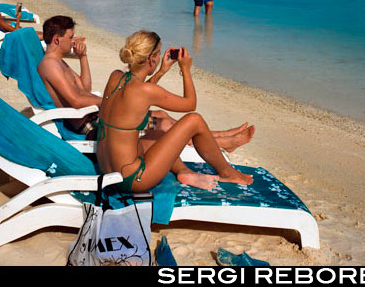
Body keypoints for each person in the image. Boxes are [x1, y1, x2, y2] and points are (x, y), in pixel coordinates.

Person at [37, 16, 255, 150]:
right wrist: (113, 102)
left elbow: (84, 88)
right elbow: (76, 100)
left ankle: (222, 135)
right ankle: (224, 143)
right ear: (57, 39)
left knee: (163, 116)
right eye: (71, 38)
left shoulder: (60, 63)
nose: (75, 41)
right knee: (166, 125)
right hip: (91, 126)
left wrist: (83, 58)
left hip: (96, 117)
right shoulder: (50, 65)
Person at [95, 30, 254, 193]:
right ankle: (228, 173)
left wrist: (162, 71)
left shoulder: (115, 77)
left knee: (157, 136)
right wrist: (185, 69)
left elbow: (138, 94)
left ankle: (184, 172)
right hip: (133, 180)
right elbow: (190, 104)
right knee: (194, 120)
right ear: (152, 59)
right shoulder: (146, 91)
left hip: (108, 172)